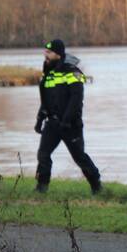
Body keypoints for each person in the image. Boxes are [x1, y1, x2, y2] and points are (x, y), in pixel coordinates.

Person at [34, 39, 102, 194]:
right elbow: (46, 100)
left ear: (58, 54)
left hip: (70, 124)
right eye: (45, 52)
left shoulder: (72, 72)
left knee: (79, 157)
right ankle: (42, 187)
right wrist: (39, 119)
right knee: (43, 154)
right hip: (52, 123)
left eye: (49, 53)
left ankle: (96, 184)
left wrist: (66, 121)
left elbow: (76, 99)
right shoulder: (49, 74)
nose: (46, 55)